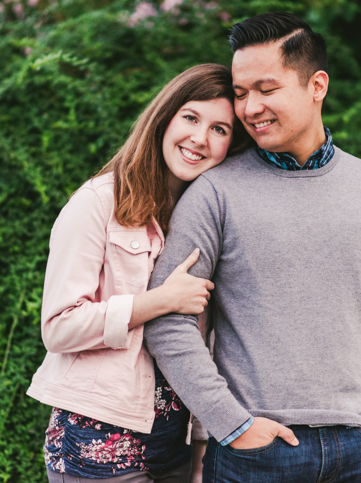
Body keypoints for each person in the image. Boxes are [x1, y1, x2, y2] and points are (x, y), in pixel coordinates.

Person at [144, 12, 361, 482]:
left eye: (266, 90)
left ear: (317, 86)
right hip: (254, 455)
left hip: (359, 449)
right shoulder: (214, 193)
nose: (249, 108)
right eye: (240, 93)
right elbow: (169, 324)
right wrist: (233, 425)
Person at [26, 64, 250, 483]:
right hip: (99, 445)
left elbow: (211, 345)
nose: (200, 138)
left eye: (220, 129)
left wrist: (202, 447)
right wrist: (160, 301)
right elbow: (58, 327)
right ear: (164, 118)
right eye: (191, 117)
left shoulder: (208, 221)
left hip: (173, 447)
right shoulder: (98, 203)